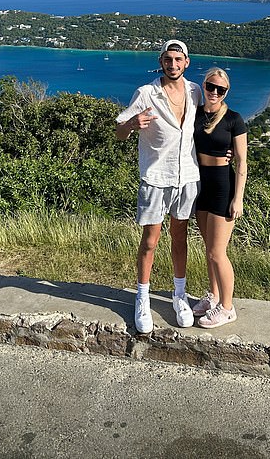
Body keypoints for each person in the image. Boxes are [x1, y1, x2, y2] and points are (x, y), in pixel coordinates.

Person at [115, 39, 202, 334]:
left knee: (180, 238)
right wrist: (131, 124)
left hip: (187, 176)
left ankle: (179, 296)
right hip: (156, 177)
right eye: (168, 59)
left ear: (186, 62)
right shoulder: (146, 93)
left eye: (178, 59)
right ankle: (142, 297)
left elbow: (209, 123)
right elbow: (119, 132)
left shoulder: (195, 91)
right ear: (161, 61)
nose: (173, 64)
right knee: (150, 241)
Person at [192, 67, 248, 328]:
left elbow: (242, 163)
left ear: (226, 92)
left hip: (222, 187)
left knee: (218, 252)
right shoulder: (196, 114)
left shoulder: (234, 119)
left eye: (220, 89)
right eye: (210, 86)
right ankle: (213, 297)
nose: (214, 92)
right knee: (208, 249)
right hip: (200, 185)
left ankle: (227, 307)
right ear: (204, 86)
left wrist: (238, 198)